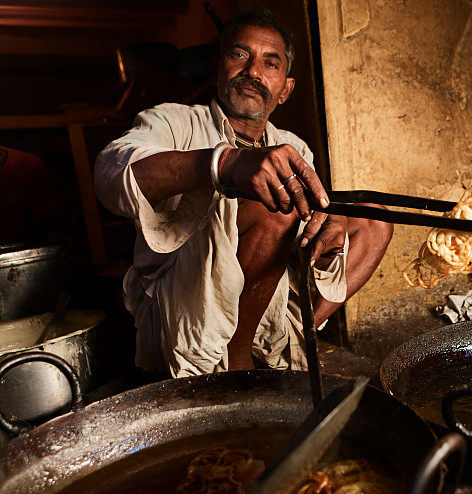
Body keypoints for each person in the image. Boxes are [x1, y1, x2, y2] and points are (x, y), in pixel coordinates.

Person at [94, 6, 392, 377]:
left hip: (267, 297)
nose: (253, 72)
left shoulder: (292, 146)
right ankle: (237, 363)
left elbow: (317, 217)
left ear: (285, 90)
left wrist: (329, 225)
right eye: (240, 55)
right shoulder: (173, 121)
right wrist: (225, 164)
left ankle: (298, 336)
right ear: (219, 67)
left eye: (271, 63)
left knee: (374, 219)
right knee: (274, 203)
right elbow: (110, 175)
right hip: (187, 311)